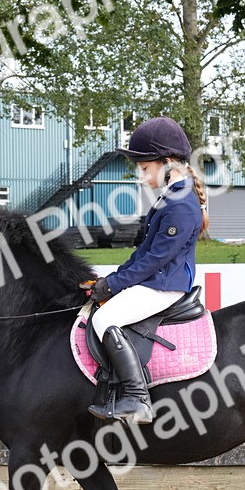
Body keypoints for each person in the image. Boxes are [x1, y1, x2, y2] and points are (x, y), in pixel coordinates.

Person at [85, 116, 209, 423]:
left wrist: (114, 287)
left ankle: (137, 399)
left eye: (144, 168)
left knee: (104, 318)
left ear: (166, 163)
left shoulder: (181, 203)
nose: (141, 177)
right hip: (156, 280)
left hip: (164, 286)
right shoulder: (171, 196)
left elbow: (155, 259)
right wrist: (110, 280)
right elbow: (141, 253)